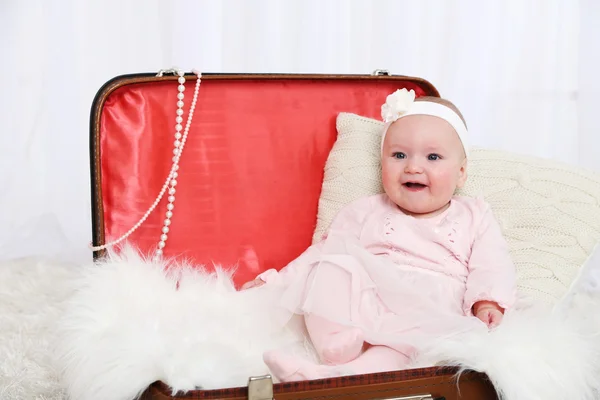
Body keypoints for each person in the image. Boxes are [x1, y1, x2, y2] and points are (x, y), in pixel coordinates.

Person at [242, 89, 517, 382]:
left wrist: (486, 302)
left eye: (433, 157)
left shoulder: (473, 216)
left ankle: (332, 377)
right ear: (381, 163)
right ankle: (334, 343)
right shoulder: (364, 211)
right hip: (366, 302)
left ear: (461, 172)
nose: (413, 167)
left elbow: (492, 264)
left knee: (395, 351)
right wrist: (274, 282)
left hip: (425, 309)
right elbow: (321, 253)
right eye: (399, 155)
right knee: (330, 266)